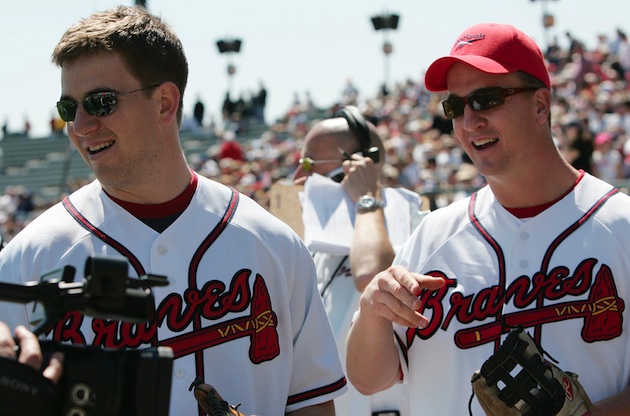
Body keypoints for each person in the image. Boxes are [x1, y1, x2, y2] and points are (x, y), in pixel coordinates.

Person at [0, 6, 346, 416]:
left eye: (100, 102)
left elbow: (311, 404)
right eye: (68, 108)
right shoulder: (25, 262)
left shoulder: (273, 244)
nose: (80, 126)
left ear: (165, 103)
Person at [346, 22, 630, 416]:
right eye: (455, 106)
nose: (468, 121)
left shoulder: (621, 226)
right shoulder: (434, 237)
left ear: (540, 105)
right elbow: (368, 379)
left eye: (486, 99)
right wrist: (373, 309)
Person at [293, 106, 425, 416]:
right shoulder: (320, 241)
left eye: (309, 163)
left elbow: (372, 278)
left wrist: (366, 197)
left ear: (354, 165)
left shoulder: (407, 221)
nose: (298, 176)